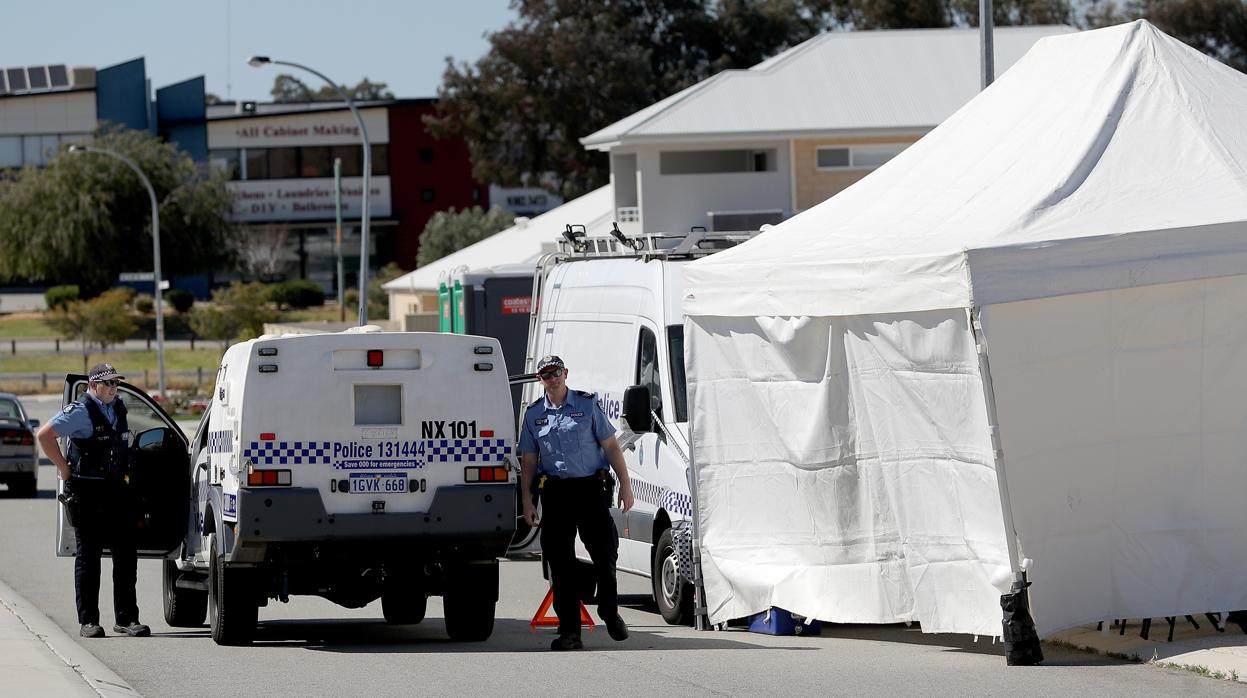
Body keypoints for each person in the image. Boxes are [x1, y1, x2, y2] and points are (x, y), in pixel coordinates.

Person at [520, 355, 635, 651]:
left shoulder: (586, 405)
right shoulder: (534, 415)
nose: (553, 379)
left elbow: (610, 445)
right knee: (560, 564)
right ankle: (570, 632)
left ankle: (609, 610)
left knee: (605, 552)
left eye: (557, 373)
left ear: (565, 373)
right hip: (556, 493)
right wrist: (527, 501)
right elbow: (530, 461)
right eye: (546, 375)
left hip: (589, 490)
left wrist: (625, 483)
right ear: (540, 380)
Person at [37, 363, 150, 639]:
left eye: (116, 383)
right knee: (89, 558)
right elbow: (44, 435)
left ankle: (127, 618)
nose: (113, 388)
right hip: (88, 493)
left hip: (117, 492)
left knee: (126, 556)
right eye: (108, 383)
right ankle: (89, 620)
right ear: (93, 385)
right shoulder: (80, 411)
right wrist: (63, 468)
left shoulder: (119, 407)